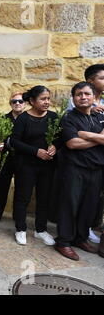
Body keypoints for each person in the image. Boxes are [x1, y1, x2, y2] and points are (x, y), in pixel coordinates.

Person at [54, 82, 104, 261]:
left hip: (96, 170)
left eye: (86, 94)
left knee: (89, 207)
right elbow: (72, 144)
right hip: (74, 169)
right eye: (78, 94)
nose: (83, 97)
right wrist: (99, 138)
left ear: (93, 96)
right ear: (73, 98)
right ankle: (64, 242)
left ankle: (80, 238)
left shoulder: (100, 116)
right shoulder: (68, 118)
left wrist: (85, 134)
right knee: (70, 205)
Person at [10, 85, 59, 246]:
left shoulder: (54, 117)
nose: (47, 102)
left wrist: (55, 146)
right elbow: (15, 142)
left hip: (47, 165)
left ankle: (40, 230)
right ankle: (21, 229)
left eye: (48, 99)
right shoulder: (23, 119)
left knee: (44, 197)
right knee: (22, 197)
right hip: (26, 165)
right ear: (32, 101)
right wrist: (35, 151)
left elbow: (60, 137)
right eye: (43, 99)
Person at [0, 92, 26, 225]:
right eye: (14, 101)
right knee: (1, 187)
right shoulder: (3, 119)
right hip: (5, 159)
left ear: (25, 103)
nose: (17, 103)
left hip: (23, 159)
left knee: (21, 188)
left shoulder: (28, 118)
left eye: (20, 101)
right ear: (10, 103)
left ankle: (17, 215)